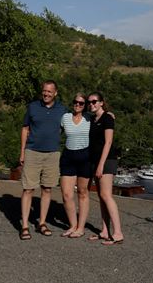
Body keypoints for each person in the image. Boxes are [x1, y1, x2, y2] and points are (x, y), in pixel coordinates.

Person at [19, 80, 67, 240]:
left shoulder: (62, 110)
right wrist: (22, 152)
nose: (46, 94)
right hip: (32, 152)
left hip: (52, 154)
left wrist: (107, 113)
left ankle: (42, 223)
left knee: (47, 189)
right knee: (28, 189)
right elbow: (25, 128)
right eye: (44, 91)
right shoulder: (32, 107)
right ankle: (25, 226)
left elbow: (78, 118)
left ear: (55, 93)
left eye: (49, 91)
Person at [87, 91, 124, 245]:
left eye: (95, 101)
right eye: (90, 102)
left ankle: (118, 233)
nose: (92, 104)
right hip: (96, 160)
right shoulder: (93, 119)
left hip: (107, 160)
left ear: (102, 102)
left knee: (106, 195)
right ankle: (104, 230)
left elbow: (108, 142)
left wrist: (101, 164)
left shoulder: (107, 118)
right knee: (102, 197)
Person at [59, 92, 91, 238]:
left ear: (85, 106)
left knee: (82, 193)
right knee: (66, 194)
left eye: (81, 103)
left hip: (85, 157)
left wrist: (110, 114)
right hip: (68, 157)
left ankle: (81, 227)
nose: (77, 105)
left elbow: (104, 118)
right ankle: (73, 225)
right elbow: (56, 131)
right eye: (75, 102)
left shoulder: (89, 118)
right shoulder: (65, 117)